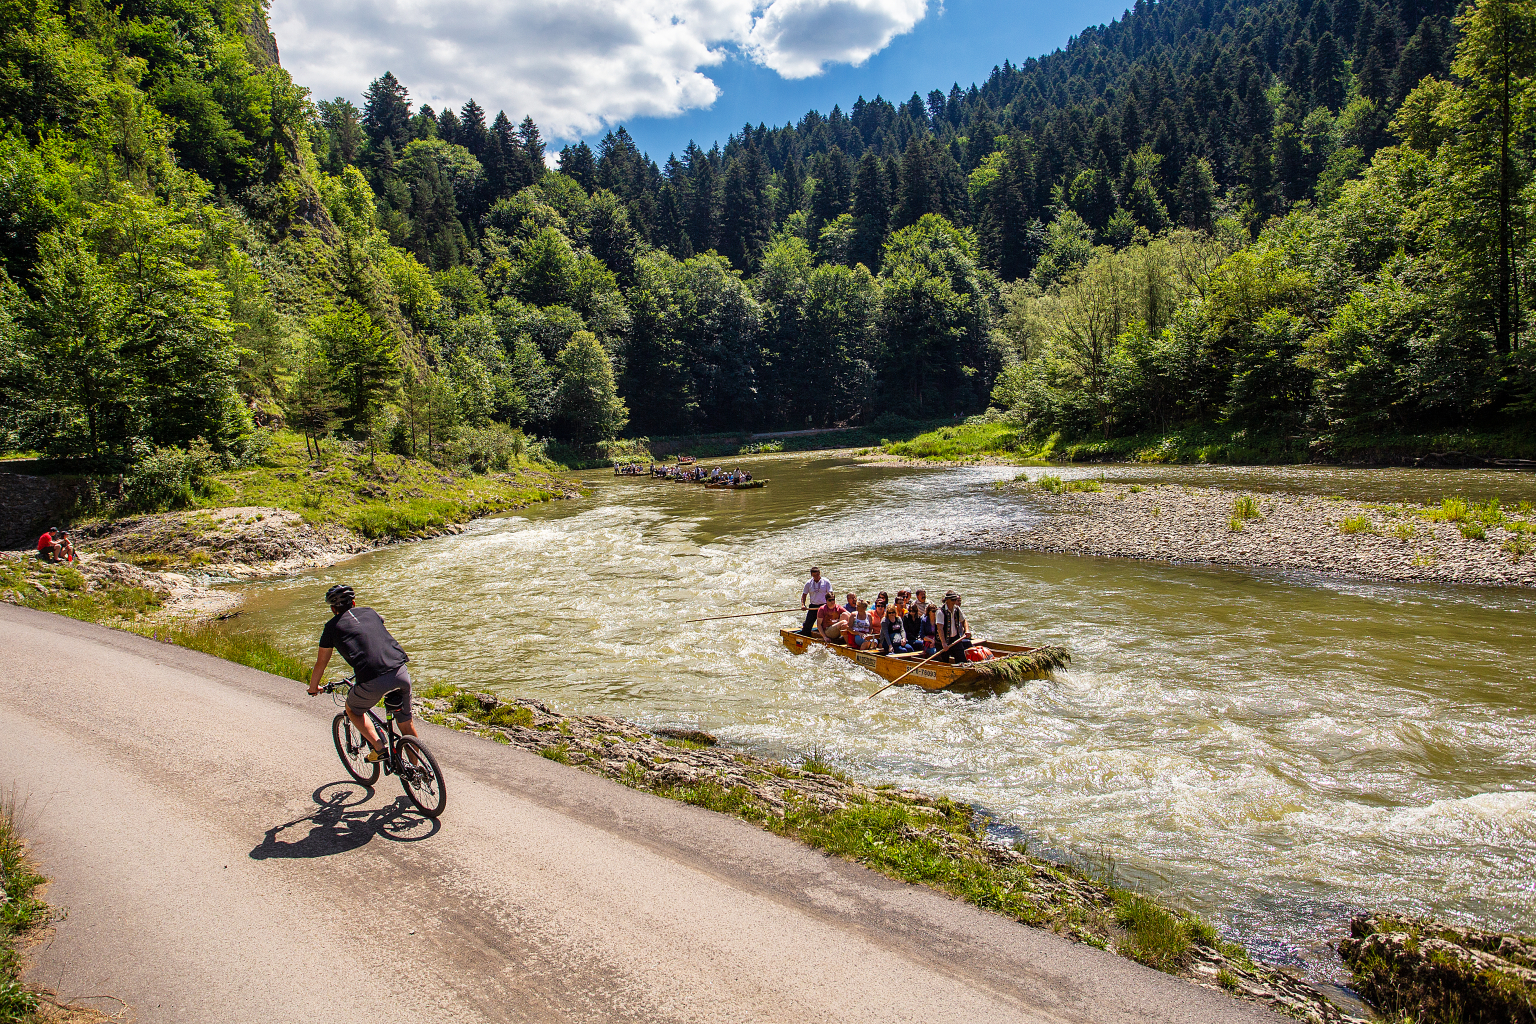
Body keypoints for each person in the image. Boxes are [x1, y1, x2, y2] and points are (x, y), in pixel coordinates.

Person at [307, 584, 418, 762]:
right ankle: (417, 772)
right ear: (354, 602)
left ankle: (379, 748)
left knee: (353, 710)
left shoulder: (330, 628)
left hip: (372, 678)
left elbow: (321, 662)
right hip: (400, 669)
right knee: (405, 723)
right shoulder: (370, 612)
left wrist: (313, 687)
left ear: (332, 609)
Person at [934, 590, 973, 662]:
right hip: (943, 641)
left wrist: (967, 630)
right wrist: (944, 643)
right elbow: (940, 628)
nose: (954, 602)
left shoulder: (957, 609)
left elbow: (964, 620)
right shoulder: (940, 611)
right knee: (944, 662)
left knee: (962, 659)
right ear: (947, 600)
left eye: (955, 600)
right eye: (953, 600)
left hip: (955, 639)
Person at [799, 566, 832, 636]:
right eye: (814, 575)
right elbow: (804, 595)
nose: (816, 577)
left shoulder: (826, 582)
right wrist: (803, 605)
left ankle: (827, 638)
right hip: (813, 606)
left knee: (827, 625)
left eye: (817, 575)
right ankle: (806, 638)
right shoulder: (808, 583)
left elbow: (830, 594)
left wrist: (831, 604)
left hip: (824, 606)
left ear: (819, 573)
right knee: (807, 625)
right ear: (811, 575)